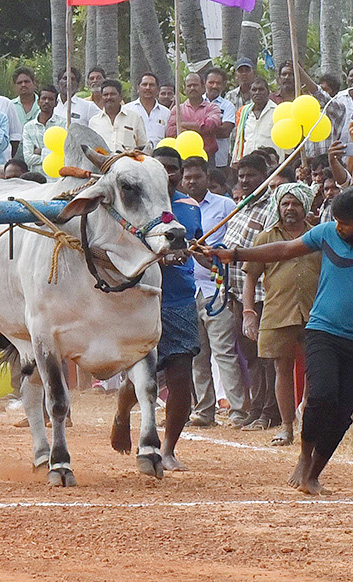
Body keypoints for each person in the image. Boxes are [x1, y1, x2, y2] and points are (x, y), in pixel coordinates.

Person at [205, 187, 353, 494]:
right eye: (336, 221)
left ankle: (314, 473)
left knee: (340, 413)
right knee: (321, 396)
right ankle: (304, 454)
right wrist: (234, 255)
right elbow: (283, 249)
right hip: (323, 330)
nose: (338, 227)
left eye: (345, 223)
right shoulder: (326, 233)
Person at [242, 183, 320, 447]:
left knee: (317, 369)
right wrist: (249, 313)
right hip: (277, 312)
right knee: (281, 369)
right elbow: (250, 278)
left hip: (315, 313)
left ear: (305, 207)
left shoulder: (318, 236)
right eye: (285, 203)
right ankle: (287, 427)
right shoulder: (265, 238)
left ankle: (307, 412)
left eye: (296, 203)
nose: (290, 209)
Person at [149, 146, 203, 471]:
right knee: (139, 376)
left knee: (181, 374)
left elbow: (195, 242)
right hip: (143, 298)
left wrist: (211, 251)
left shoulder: (190, 206)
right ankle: (120, 414)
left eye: (173, 168)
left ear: (181, 173)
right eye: (162, 168)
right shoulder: (136, 204)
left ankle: (168, 449)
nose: (169, 174)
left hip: (180, 299)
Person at [222, 152, 281, 430]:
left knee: (267, 355)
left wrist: (231, 254)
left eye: (251, 176)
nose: (245, 180)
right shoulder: (240, 207)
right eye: (241, 176)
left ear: (264, 176)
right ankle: (256, 409)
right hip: (236, 294)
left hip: (263, 295)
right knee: (250, 357)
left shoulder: (273, 208)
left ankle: (270, 412)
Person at [181, 157, 241, 426]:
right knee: (197, 354)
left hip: (217, 289)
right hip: (186, 290)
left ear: (207, 177)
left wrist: (208, 252)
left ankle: (239, 410)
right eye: (188, 177)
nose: (192, 181)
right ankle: (204, 411)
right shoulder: (178, 208)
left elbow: (233, 245)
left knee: (224, 352)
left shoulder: (226, 205)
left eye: (197, 176)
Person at [166, 73, 222, 159]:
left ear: (203, 88)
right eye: (189, 86)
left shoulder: (212, 108)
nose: (192, 88)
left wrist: (182, 125)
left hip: (207, 157)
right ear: (184, 90)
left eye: (195, 85)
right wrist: (198, 128)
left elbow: (210, 126)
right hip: (183, 157)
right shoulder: (177, 109)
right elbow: (171, 132)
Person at [89, 79, 147, 152]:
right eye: (105, 95)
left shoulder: (135, 118)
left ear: (121, 96)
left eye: (113, 94)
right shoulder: (94, 121)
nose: (109, 97)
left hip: (128, 162)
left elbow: (143, 147)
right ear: (101, 97)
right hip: (103, 163)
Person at [231, 78, 279, 162]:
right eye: (254, 90)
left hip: (271, 163)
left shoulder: (277, 111)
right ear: (250, 93)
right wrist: (236, 160)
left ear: (268, 92)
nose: (257, 92)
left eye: (261, 89)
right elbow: (240, 139)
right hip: (248, 163)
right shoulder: (244, 112)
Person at [21, 85, 65, 170]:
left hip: (57, 178)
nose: (46, 101)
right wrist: (52, 155)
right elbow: (28, 159)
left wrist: (41, 151)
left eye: (50, 99)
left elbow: (64, 156)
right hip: (36, 178)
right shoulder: (28, 127)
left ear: (56, 103)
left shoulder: (63, 124)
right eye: (44, 98)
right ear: (38, 102)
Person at [125, 73, 170, 149]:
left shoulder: (166, 113)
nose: (148, 88)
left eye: (152, 85)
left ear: (158, 89)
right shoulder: (127, 110)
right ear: (138, 88)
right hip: (134, 156)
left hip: (158, 157)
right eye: (144, 84)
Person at [204, 69, 237, 168]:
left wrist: (196, 126)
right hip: (198, 159)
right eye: (211, 82)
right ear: (204, 83)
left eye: (218, 83)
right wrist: (213, 126)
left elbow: (225, 132)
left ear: (223, 85)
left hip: (220, 161)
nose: (214, 86)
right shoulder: (195, 104)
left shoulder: (228, 106)